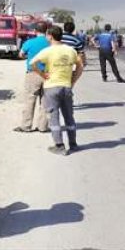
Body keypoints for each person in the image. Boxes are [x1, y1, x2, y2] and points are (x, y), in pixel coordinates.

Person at [31, 26, 83, 156]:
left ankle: (59, 146)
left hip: (51, 87)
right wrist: (73, 81)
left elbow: (33, 63)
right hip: (66, 87)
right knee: (69, 117)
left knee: (54, 117)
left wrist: (43, 75)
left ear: (50, 36)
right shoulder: (70, 50)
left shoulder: (47, 51)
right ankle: (73, 144)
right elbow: (80, 66)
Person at [14, 22, 50, 133]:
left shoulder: (30, 42)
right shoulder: (50, 43)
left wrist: (28, 57)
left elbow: (21, 54)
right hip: (48, 74)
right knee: (46, 101)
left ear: (35, 31)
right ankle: (42, 127)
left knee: (30, 99)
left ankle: (26, 126)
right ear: (46, 31)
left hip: (33, 73)